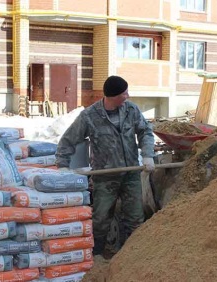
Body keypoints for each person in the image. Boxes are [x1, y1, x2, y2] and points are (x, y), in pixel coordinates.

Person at [55, 75, 155, 256]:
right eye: (124, 93)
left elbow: (145, 132)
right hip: (105, 177)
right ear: (114, 96)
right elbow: (67, 141)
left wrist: (148, 155)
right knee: (101, 221)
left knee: (135, 220)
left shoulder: (131, 110)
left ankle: (135, 257)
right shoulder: (90, 117)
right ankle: (97, 258)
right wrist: (63, 165)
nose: (128, 96)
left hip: (131, 173)